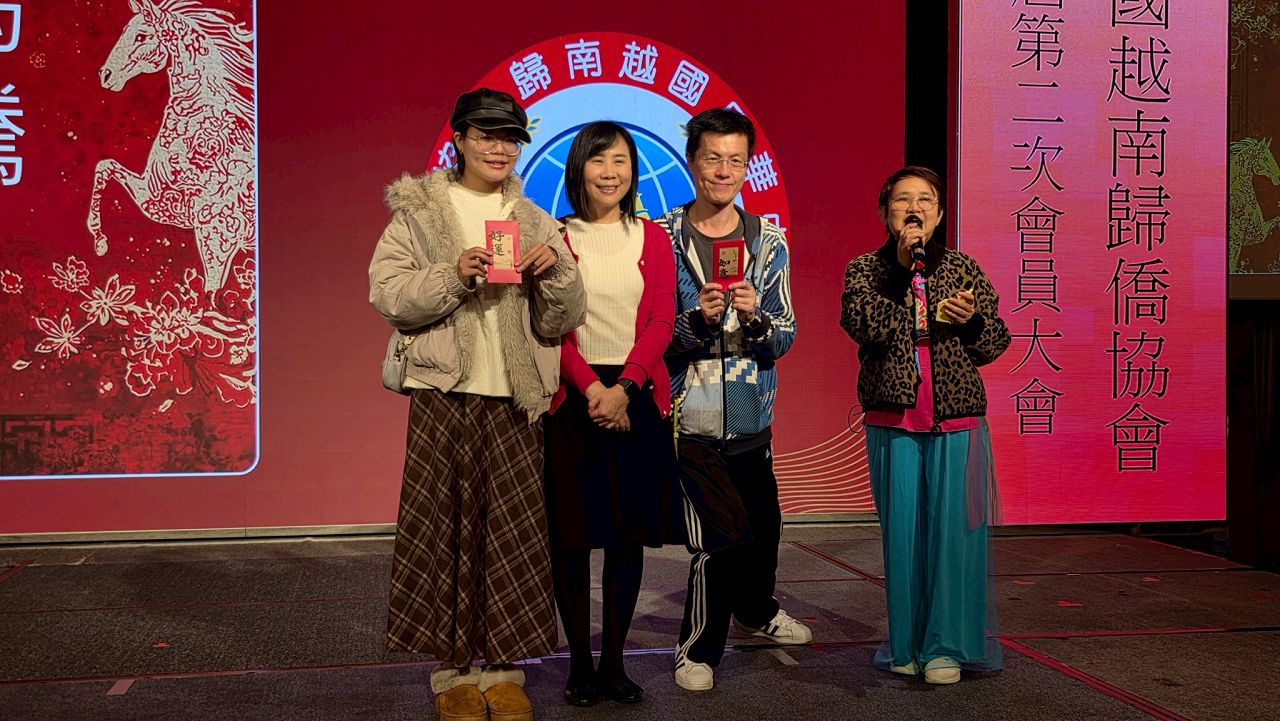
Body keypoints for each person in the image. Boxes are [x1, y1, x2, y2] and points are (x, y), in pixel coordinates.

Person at [368, 88, 585, 721]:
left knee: (512, 535)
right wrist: (453, 274)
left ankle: (503, 669)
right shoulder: (419, 212)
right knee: (445, 532)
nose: (499, 148)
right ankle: (453, 671)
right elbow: (388, 294)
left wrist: (557, 272)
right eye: (486, 135)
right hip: (444, 392)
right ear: (459, 138)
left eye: (510, 138)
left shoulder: (535, 218)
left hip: (515, 398)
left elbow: (562, 319)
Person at [839, 165, 1010, 684]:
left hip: (957, 416)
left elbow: (996, 342)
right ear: (885, 212)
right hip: (893, 415)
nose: (914, 208)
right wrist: (903, 277)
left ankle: (945, 647)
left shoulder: (963, 267)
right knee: (903, 536)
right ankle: (907, 643)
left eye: (926, 200)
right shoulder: (866, 269)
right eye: (902, 200)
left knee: (954, 537)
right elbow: (863, 325)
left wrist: (970, 321)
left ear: (938, 214)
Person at [657, 108, 807, 693]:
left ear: (748, 167)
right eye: (712, 158)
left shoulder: (767, 241)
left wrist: (756, 317)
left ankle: (757, 610)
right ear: (692, 161)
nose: (723, 171)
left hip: (750, 411)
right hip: (689, 415)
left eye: (735, 160)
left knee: (763, 530)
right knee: (716, 538)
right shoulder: (662, 237)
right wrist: (696, 321)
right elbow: (653, 334)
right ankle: (696, 650)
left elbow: (785, 336)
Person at [543, 120, 685, 707]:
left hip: (636, 396)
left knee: (627, 541)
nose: (610, 172)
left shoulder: (653, 238)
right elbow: (548, 326)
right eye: (598, 160)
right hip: (573, 401)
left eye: (621, 160)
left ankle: (615, 664)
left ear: (633, 170)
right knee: (573, 541)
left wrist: (625, 387)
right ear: (579, 169)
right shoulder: (554, 237)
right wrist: (593, 391)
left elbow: (661, 321)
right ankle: (579, 664)